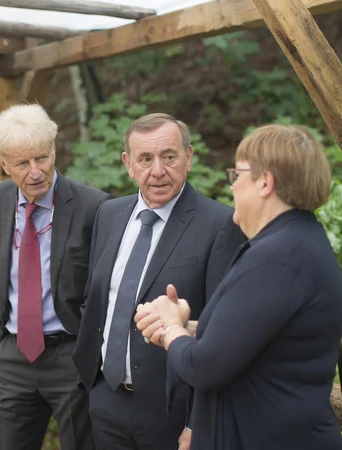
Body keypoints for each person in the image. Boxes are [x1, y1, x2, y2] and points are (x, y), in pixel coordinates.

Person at [135, 124, 342, 450]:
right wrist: (188, 326)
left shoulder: (278, 257)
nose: (231, 186)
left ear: (265, 182)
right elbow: (254, 342)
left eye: (238, 175)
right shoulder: (292, 243)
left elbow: (204, 367)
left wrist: (171, 330)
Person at [73, 113, 246, 450]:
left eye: (169, 157)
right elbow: (95, 300)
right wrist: (89, 382)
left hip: (172, 412)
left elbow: (222, 332)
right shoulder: (108, 215)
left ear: (189, 157)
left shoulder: (221, 224)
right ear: (128, 164)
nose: (157, 171)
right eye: (145, 159)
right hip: (105, 400)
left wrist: (197, 423)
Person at [0, 104, 110, 450]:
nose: (36, 171)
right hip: (12, 355)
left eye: (42, 158)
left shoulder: (93, 205)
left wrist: (87, 347)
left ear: (54, 150)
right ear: (4, 163)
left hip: (69, 354)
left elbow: (102, 285)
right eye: (22, 163)